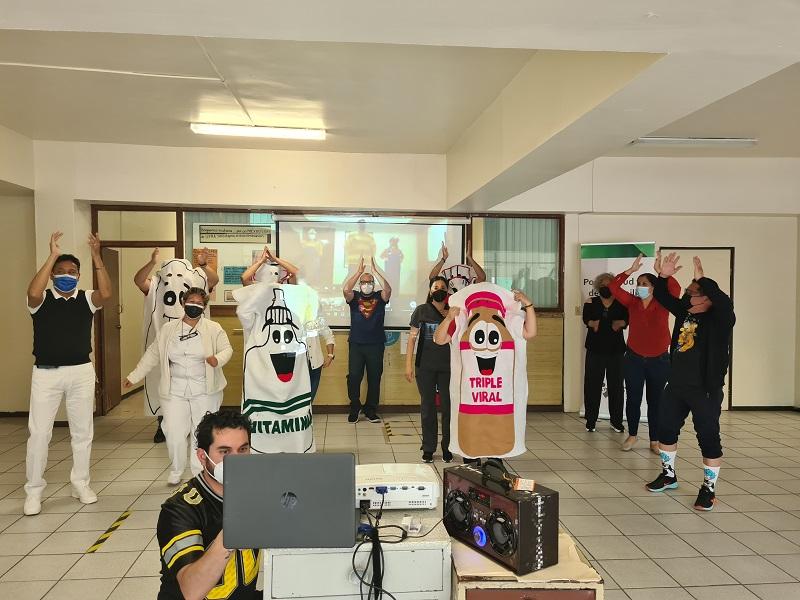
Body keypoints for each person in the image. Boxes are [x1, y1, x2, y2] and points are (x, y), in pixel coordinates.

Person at [24, 231, 112, 516]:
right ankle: (34, 491)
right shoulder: (41, 300)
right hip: (46, 374)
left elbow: (107, 293)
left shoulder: (86, 298)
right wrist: (51, 256)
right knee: (39, 434)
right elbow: (32, 292)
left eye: (72, 271)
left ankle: (81, 483)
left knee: (82, 432)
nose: (66, 275)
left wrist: (97, 255)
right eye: (60, 271)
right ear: (51, 275)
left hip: (81, 373)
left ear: (79, 275)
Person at [646, 253, 735, 511]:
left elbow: (725, 304)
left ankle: (708, 489)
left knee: (708, 437)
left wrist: (703, 279)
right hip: (676, 385)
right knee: (666, 429)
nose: (687, 296)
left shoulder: (720, 320)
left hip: (704, 389)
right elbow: (663, 297)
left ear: (707, 297)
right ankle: (668, 475)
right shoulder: (686, 313)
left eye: (692, 292)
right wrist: (663, 276)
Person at [125, 288, 233, 485]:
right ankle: (176, 469)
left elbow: (227, 349)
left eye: (199, 303)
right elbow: (153, 354)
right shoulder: (168, 330)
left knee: (201, 431)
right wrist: (134, 376)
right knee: (173, 431)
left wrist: (217, 359)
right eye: (190, 301)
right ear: (183, 303)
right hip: (175, 388)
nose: (194, 305)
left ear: (204, 307)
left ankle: (199, 471)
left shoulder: (213, 328)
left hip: (205, 388)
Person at [156, 410, 259, 600]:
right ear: (202, 457)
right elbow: (192, 590)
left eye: (243, 449)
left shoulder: (257, 491)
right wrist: (234, 524)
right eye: (225, 452)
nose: (236, 460)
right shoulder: (179, 509)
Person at [134, 247, 219, 443]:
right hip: (167, 342)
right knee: (165, 383)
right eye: (170, 274)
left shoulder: (196, 283)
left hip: (194, 343)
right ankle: (163, 424)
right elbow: (139, 280)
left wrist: (204, 265)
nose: (174, 278)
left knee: (195, 383)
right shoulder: (156, 285)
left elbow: (213, 281)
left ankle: (196, 425)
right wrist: (151, 263)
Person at [609, 254, 680, 453]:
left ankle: (654, 440)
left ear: (654, 286)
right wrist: (629, 272)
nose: (640, 285)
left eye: (645, 283)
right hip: (634, 359)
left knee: (656, 401)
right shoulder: (632, 302)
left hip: (659, 360)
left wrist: (663, 274)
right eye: (638, 283)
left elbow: (675, 290)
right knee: (633, 399)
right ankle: (632, 436)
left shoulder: (663, 303)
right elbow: (613, 288)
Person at [405, 276, 452, 463]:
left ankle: (448, 447)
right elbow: (412, 339)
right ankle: (429, 447)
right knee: (428, 407)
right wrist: (408, 364)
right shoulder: (421, 311)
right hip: (424, 367)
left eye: (442, 287)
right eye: (435, 287)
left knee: (448, 408)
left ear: (447, 291)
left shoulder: (453, 313)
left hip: (449, 367)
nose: (439, 289)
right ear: (430, 291)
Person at [343, 257, 391, 423]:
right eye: (364, 282)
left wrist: (375, 272)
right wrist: (358, 272)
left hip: (376, 344)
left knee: (374, 377)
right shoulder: (354, 297)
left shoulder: (380, 296)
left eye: (369, 282)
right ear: (360, 285)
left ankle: (371, 409)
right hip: (356, 344)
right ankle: (354, 407)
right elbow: (346, 289)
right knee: (354, 376)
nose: (367, 284)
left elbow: (388, 289)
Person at [583, 273, 628, 433]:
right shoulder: (591, 302)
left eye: (609, 284)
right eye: (602, 283)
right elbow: (585, 318)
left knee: (616, 386)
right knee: (592, 384)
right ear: (597, 286)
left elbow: (627, 319)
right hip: (595, 349)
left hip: (616, 351)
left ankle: (616, 421)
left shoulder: (622, 303)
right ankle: (591, 420)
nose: (605, 286)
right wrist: (591, 323)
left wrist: (622, 323)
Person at [306, 315, 335, 402]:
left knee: (310, 399)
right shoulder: (289, 315)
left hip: (315, 361)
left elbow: (328, 335)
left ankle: (308, 413)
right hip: (297, 364)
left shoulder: (316, 316)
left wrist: (330, 355)